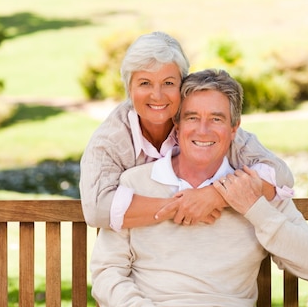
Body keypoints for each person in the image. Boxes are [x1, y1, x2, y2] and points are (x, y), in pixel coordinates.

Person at [90, 69, 308, 307]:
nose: (203, 130)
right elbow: (107, 271)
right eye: (192, 117)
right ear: (176, 126)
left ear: (234, 129)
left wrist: (253, 208)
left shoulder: (253, 188)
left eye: (216, 119)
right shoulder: (135, 184)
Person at [80, 31, 294, 231]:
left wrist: (213, 197)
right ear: (129, 89)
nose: (157, 95)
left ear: (182, 86)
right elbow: (97, 208)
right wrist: (181, 206)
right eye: (145, 83)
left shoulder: (198, 126)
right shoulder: (110, 140)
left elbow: (280, 175)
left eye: (168, 83)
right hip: (144, 255)